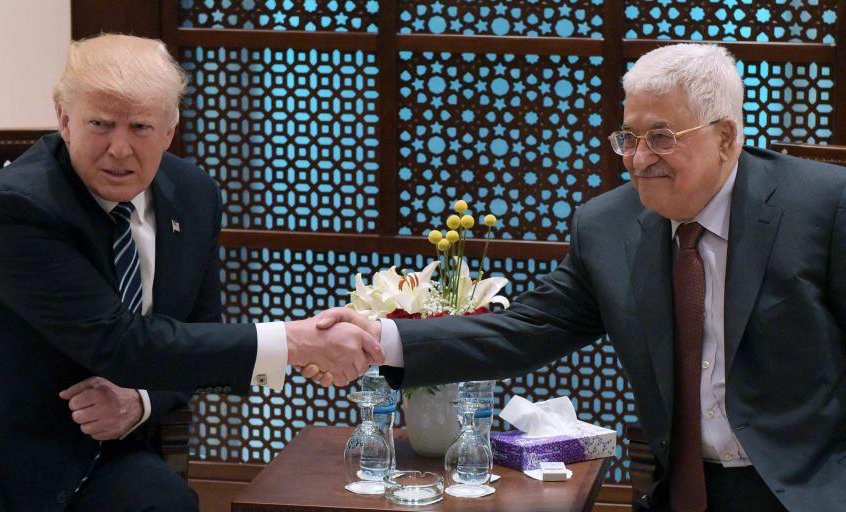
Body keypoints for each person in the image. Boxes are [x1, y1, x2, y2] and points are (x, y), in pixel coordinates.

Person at [317, 43, 846, 511]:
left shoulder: (822, 207)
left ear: (725, 137)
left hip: (809, 490)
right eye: (628, 138)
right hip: (684, 491)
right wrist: (378, 338)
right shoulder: (609, 227)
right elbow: (524, 329)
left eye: (661, 138)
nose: (638, 159)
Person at [0, 34, 382, 512]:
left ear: (170, 130)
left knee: (167, 502)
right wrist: (295, 343)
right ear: (65, 121)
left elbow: (195, 334)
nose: (120, 148)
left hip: (102, 453)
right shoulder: (17, 208)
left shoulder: (194, 195)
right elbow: (120, 342)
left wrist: (141, 401)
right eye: (100, 125)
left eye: (141, 127)